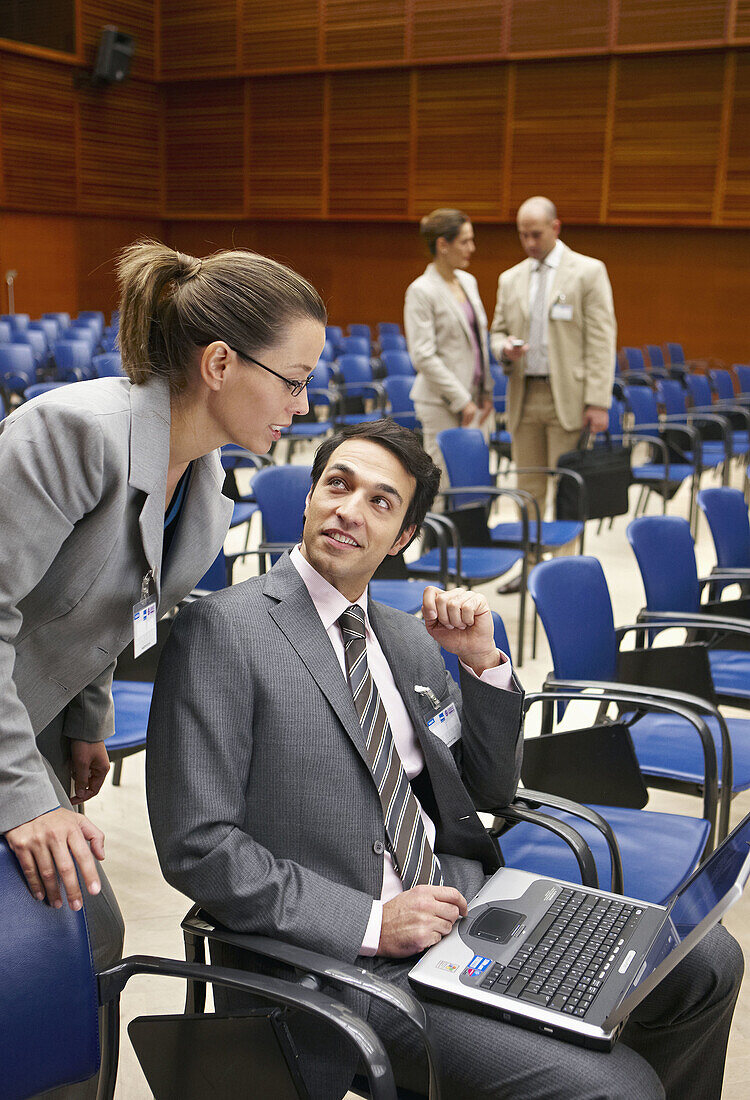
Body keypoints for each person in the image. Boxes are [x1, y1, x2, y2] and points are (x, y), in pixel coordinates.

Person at [147, 418, 742, 1100]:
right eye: (337, 485)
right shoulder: (223, 630)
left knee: (708, 963)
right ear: (309, 498)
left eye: (380, 501)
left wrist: (482, 665)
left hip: (471, 910)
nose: (349, 509)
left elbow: (491, 787)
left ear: (403, 537)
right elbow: (199, 846)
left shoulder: (406, 638)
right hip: (350, 961)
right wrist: (374, 922)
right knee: (620, 1088)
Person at [0, 237, 326, 1000]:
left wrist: (86, 718)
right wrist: (27, 798)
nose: (302, 406)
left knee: (89, 939)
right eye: (294, 381)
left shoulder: (210, 493)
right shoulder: (74, 433)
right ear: (219, 365)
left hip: (29, 720)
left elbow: (115, 610)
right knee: (68, 945)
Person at [490, 196, 616, 517]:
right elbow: (497, 332)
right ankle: (532, 561)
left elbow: (601, 340)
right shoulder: (510, 278)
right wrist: (504, 348)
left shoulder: (588, 272)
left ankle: (564, 564)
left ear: (555, 227)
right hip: (524, 394)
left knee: (567, 488)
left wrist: (598, 402)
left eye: (536, 234)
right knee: (528, 489)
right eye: (523, 235)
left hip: (568, 397)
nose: (529, 242)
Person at [404, 209, 494, 494]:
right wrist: (461, 401)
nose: (472, 248)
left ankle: (471, 540)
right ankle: (437, 541)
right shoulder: (421, 290)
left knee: (474, 484)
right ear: (443, 245)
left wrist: (485, 392)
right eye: (465, 241)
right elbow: (423, 355)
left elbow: (479, 342)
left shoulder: (468, 282)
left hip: (476, 400)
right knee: (442, 486)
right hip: (442, 402)